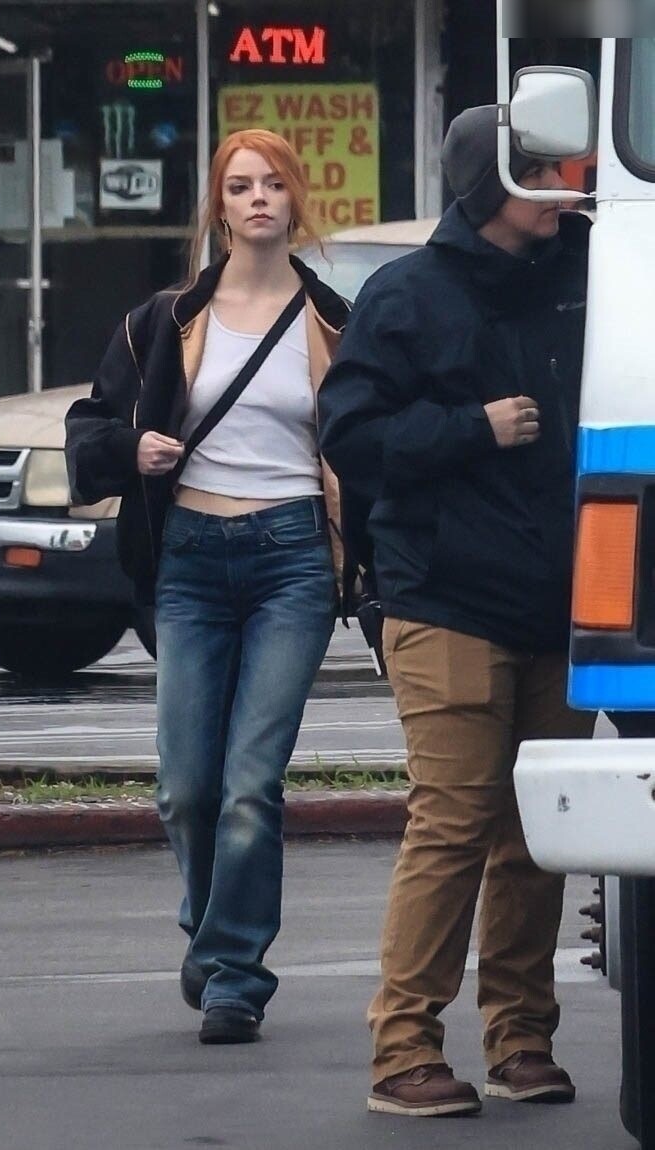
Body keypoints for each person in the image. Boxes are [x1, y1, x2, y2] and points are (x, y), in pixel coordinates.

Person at [318, 105, 597, 1116]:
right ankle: (402, 1051)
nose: (566, 185)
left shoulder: (588, 276)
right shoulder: (405, 295)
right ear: (489, 185)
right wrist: (470, 427)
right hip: (442, 599)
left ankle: (520, 1041)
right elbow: (349, 436)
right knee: (453, 820)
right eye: (543, 172)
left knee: (535, 833)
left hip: (562, 604)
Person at [65, 129, 351, 1046]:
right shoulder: (165, 319)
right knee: (186, 789)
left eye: (273, 183)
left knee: (249, 785)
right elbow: (89, 426)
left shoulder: (333, 321)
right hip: (188, 555)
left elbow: (367, 440)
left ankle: (234, 975)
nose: (258, 197)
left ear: (295, 200)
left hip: (291, 558)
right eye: (239, 185)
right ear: (218, 207)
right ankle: (213, 932)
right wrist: (132, 449)